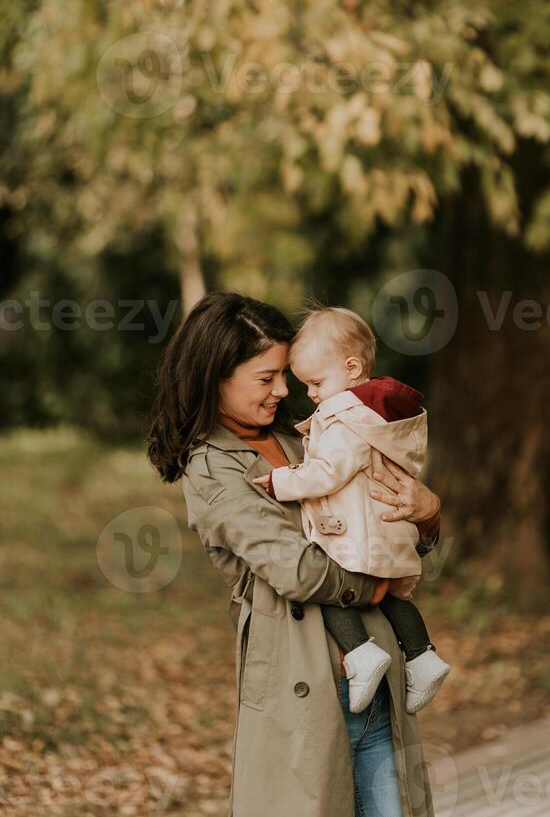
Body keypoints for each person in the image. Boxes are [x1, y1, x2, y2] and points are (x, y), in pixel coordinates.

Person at [147, 292, 442, 817]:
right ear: (216, 375)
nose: (284, 391)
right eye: (266, 379)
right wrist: (379, 586)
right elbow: (297, 569)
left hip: (377, 671)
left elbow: (380, 529)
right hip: (306, 682)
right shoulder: (211, 467)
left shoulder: (310, 433)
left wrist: (427, 516)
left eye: (285, 374)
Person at [252, 306, 450, 716]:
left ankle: (361, 653)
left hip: (359, 534)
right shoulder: (375, 416)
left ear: (353, 367)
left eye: (317, 383)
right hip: (383, 532)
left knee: (332, 595)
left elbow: (326, 473)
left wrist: (281, 481)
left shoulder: (347, 420)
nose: (311, 394)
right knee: (393, 598)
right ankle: (422, 656)